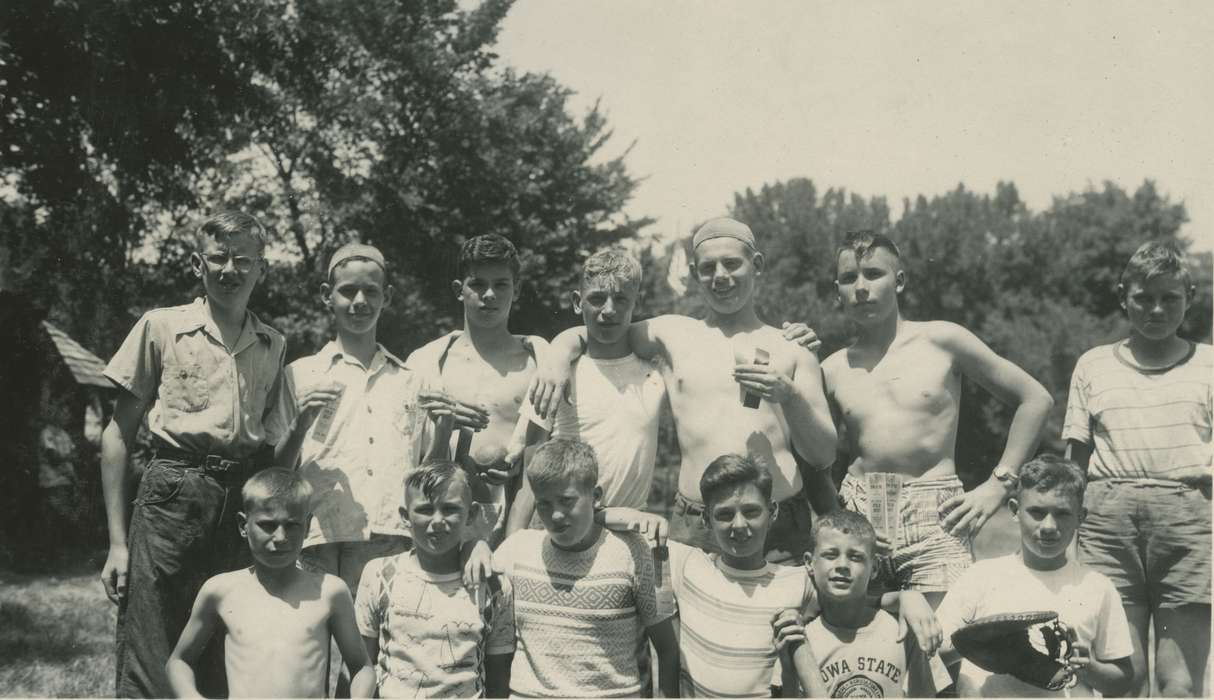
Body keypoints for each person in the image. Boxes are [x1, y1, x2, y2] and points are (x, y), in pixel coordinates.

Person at [533, 218, 836, 565]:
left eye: (732, 263)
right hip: (697, 524)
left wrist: (789, 395)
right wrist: (558, 351)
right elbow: (602, 326)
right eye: (708, 267)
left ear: (758, 265)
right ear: (694, 273)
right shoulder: (671, 333)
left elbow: (823, 454)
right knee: (688, 618)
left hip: (777, 519)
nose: (720, 276)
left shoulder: (791, 347)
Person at [275, 242, 480, 694]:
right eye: (348, 291)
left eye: (371, 291)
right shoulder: (300, 374)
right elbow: (276, 473)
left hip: (388, 537)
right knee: (305, 658)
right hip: (316, 536)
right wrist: (299, 423)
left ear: (387, 296)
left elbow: (429, 477)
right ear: (327, 295)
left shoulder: (411, 380)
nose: (359, 302)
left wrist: (444, 430)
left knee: (368, 663)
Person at [99, 211, 289, 698]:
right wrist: (118, 544)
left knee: (226, 640)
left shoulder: (273, 344)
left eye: (243, 260)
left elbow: (271, 443)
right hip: (173, 489)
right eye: (218, 258)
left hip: (241, 499)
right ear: (196, 263)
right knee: (153, 638)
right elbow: (118, 434)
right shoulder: (161, 327)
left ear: (261, 269)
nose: (230, 270)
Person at [822, 230, 1053, 604]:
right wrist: (833, 511)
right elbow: (814, 454)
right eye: (849, 278)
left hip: (936, 512)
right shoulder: (833, 368)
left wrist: (999, 484)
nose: (861, 287)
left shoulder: (942, 340)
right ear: (838, 290)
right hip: (860, 509)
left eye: (873, 274)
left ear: (899, 281)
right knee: (864, 644)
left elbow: (1035, 399)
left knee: (943, 644)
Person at [604, 454, 941, 698]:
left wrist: (908, 597)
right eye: (724, 515)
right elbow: (594, 517)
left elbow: (855, 599)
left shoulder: (797, 582)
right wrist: (638, 517)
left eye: (751, 511)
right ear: (706, 520)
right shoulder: (685, 563)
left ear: (773, 512)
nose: (739, 525)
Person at [1063, 240, 1211, 696]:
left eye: (1170, 298)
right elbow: (1075, 460)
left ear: (1189, 296)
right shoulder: (1093, 365)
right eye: (1144, 298)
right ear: (1123, 295)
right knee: (1120, 679)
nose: (1156, 309)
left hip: (1188, 521)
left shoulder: (1209, 364)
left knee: (1179, 683)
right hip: (1108, 522)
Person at [491, 438, 679, 698]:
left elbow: (667, 649)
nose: (555, 515)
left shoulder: (634, 552)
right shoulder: (515, 551)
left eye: (566, 501)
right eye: (544, 504)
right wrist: (476, 547)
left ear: (596, 496)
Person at [934, 455, 1134, 697]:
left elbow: (1123, 682)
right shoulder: (981, 577)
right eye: (1037, 512)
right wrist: (975, 644)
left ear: (1081, 517)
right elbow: (931, 658)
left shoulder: (1097, 587)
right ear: (1015, 511)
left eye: (1062, 513)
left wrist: (1088, 667)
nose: (1049, 526)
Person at [166, 468, 375, 698]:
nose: (280, 537)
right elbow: (179, 662)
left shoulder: (329, 591)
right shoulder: (221, 590)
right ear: (243, 525)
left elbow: (361, 667)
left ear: (307, 526)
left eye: (292, 525)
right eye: (267, 525)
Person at [506, 247, 667, 533]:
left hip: (627, 531)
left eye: (620, 299)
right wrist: (511, 553)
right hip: (558, 530)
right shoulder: (554, 374)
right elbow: (528, 481)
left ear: (635, 303)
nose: (609, 310)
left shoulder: (655, 374)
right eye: (597, 298)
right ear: (577, 302)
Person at [406, 234, 548, 547]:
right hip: (440, 516)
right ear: (459, 290)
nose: (489, 295)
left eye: (501, 285)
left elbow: (547, 449)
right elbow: (406, 449)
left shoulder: (536, 362)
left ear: (517, 289)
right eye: (477, 284)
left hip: (513, 513)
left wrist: (516, 465)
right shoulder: (427, 361)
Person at [355, 460, 514, 698]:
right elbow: (361, 667)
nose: (437, 520)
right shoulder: (379, 575)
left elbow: (498, 679)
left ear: (471, 514)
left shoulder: (494, 585)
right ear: (405, 516)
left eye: (450, 509)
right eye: (425, 509)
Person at [776, 509, 949, 698]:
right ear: (810, 562)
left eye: (855, 557)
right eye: (831, 555)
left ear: (874, 568)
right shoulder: (801, 641)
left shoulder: (903, 630)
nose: (842, 565)